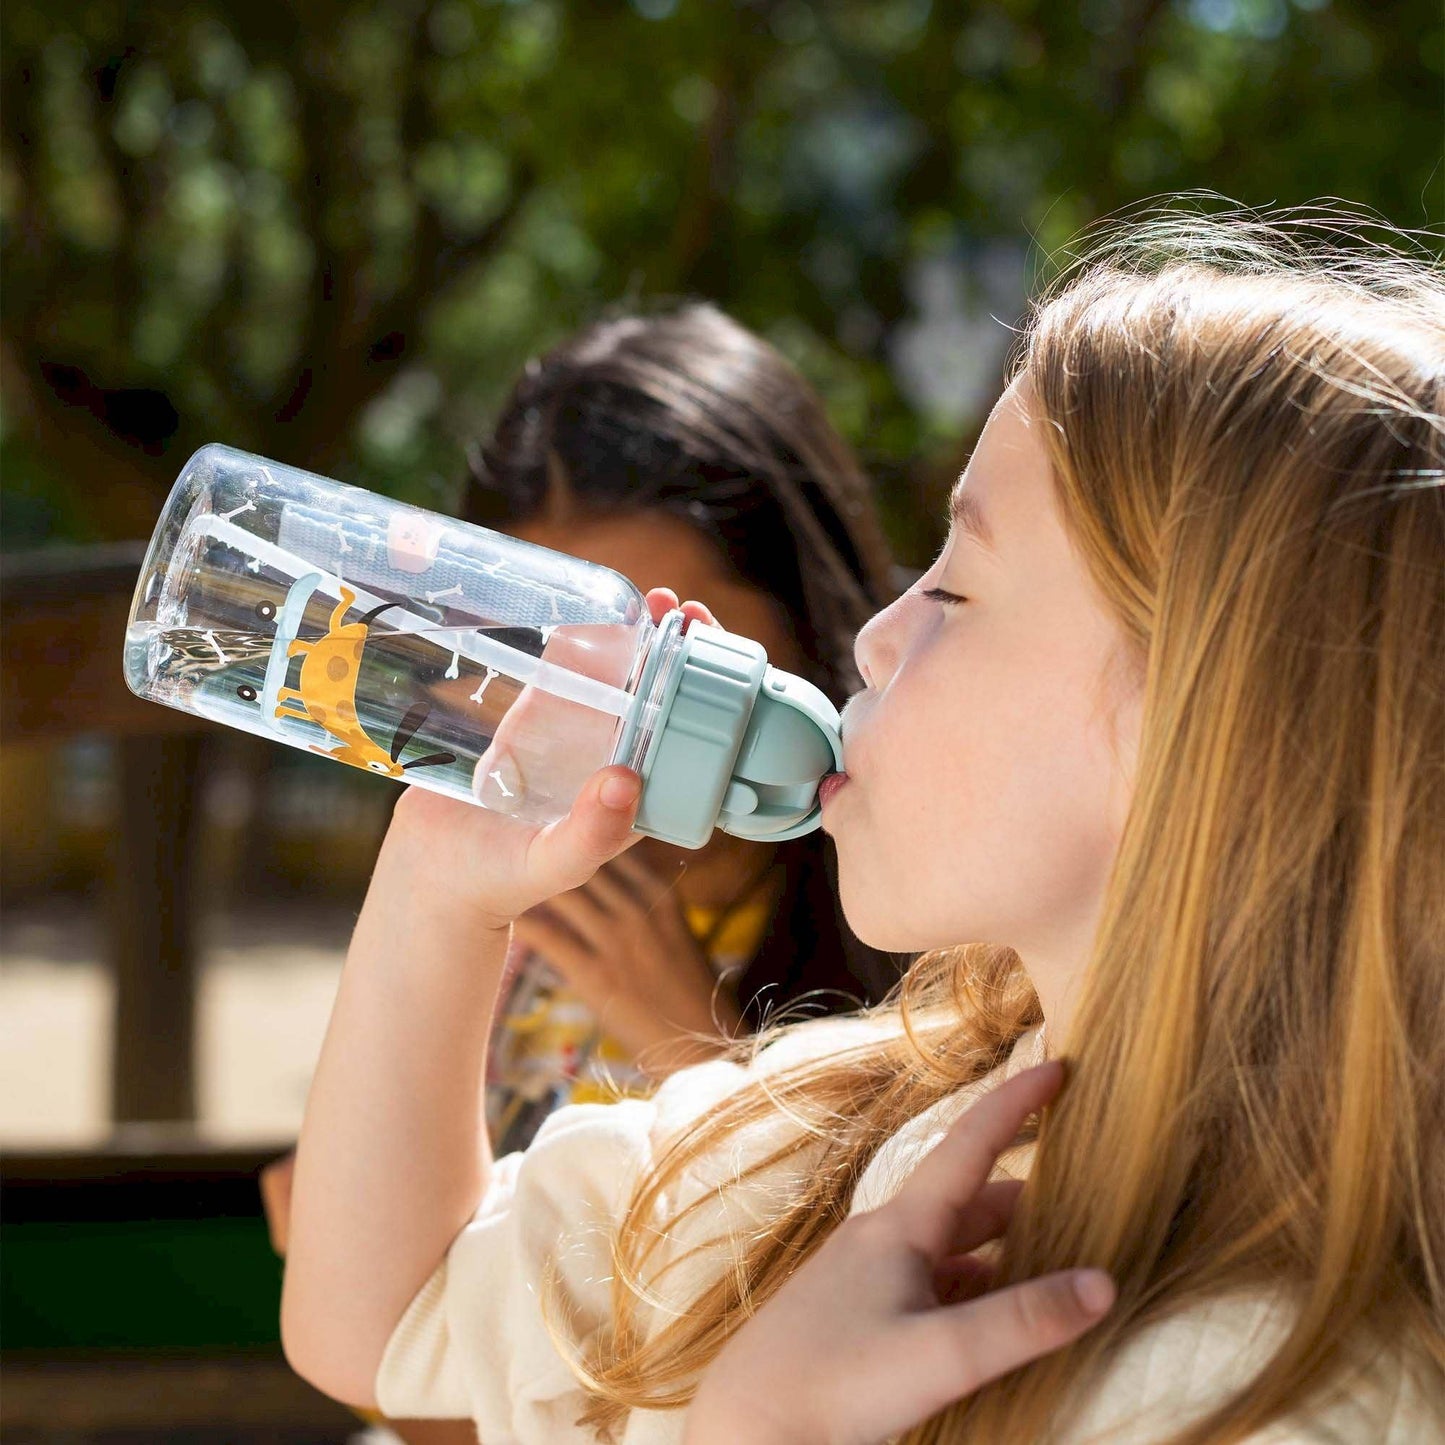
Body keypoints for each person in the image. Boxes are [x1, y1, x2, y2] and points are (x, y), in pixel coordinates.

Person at [277, 204, 1444, 1444]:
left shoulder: (1294, 1390)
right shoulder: (859, 1123)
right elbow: (393, 1322)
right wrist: (435, 879)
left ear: (1207, 723)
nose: (879, 633)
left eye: (955, 585)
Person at [261, 304, 903, 1443]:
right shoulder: (486, 901)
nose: (602, 728)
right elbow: (393, 1335)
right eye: (536, 659)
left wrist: (693, 1045)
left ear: (801, 640)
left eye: (658, 668)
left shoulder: (906, 929)